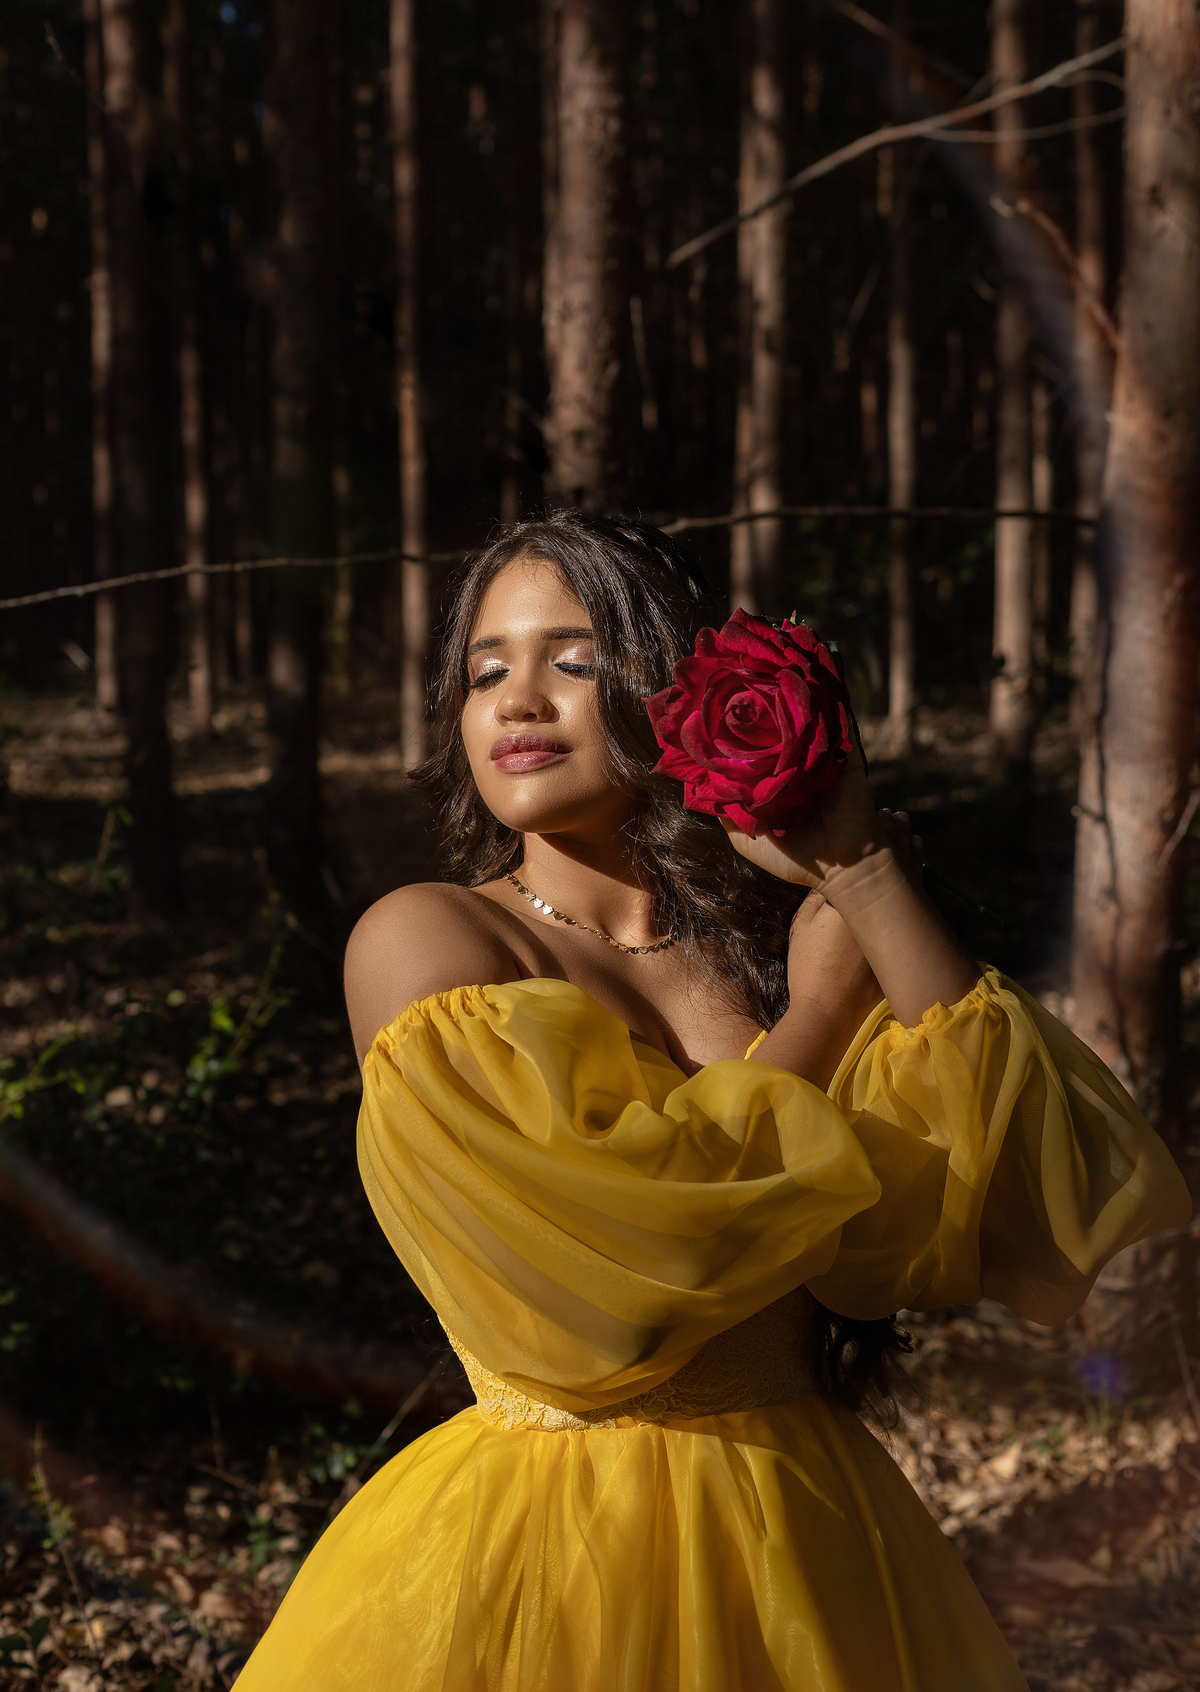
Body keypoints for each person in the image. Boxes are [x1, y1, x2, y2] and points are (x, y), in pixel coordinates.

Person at [237, 512, 1189, 1692]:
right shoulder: (426, 938)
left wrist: (865, 877)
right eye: (486, 671)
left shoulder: (763, 954)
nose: (518, 700)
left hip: (810, 1538)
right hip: (554, 1563)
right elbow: (615, 1294)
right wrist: (817, 1022)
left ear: (666, 694)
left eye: (573, 662)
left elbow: (1013, 1186)